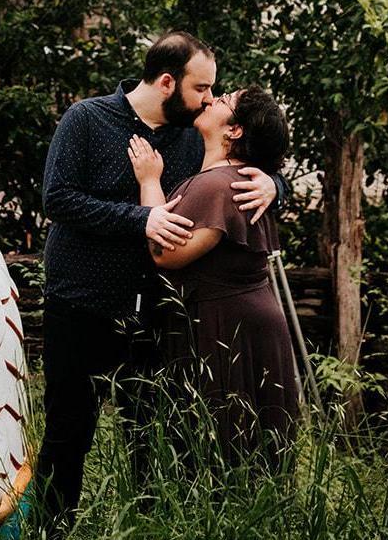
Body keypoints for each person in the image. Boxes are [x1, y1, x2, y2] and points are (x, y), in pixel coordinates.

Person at [32, 32, 281, 536]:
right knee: (67, 433)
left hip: (157, 316)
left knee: (155, 437)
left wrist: (276, 184)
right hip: (81, 305)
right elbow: (57, 198)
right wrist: (140, 219)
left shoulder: (194, 136)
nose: (209, 100)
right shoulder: (87, 119)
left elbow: (239, 171)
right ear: (168, 82)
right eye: (201, 88)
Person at [128, 87, 301, 468]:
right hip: (253, 322)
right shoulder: (245, 179)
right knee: (252, 450)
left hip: (225, 326)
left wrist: (149, 180)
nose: (212, 99)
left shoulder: (216, 185)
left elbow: (164, 252)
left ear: (234, 130)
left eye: (224, 100)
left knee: (222, 448)